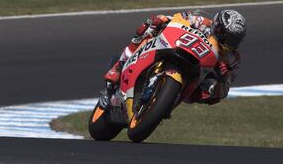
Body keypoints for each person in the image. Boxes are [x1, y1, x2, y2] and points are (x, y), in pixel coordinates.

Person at [99, 10, 246, 108]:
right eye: (229, 37)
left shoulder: (232, 59)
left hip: (198, 74)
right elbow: (178, 18)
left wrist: (222, 77)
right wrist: (162, 20)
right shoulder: (202, 22)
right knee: (149, 27)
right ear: (218, 28)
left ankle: (166, 101)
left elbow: (224, 91)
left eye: (235, 40)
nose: (230, 43)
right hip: (176, 47)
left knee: (213, 95)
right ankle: (119, 66)